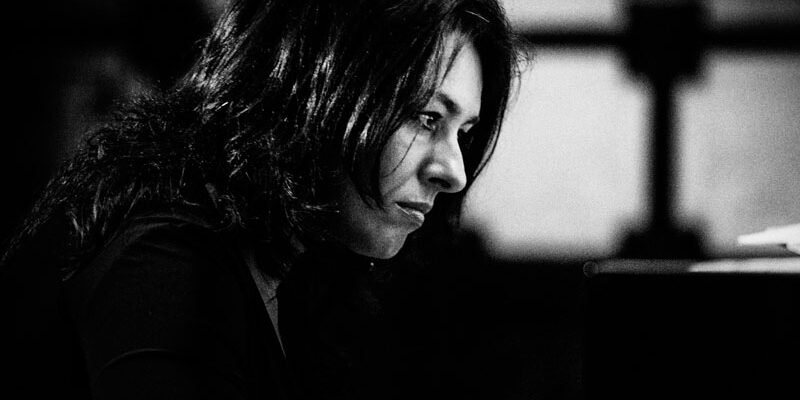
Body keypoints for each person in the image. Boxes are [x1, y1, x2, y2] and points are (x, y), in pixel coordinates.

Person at [1, 0, 520, 398]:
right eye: (427, 118)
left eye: (464, 133)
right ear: (317, 89)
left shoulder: (295, 278)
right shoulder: (165, 258)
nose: (454, 173)